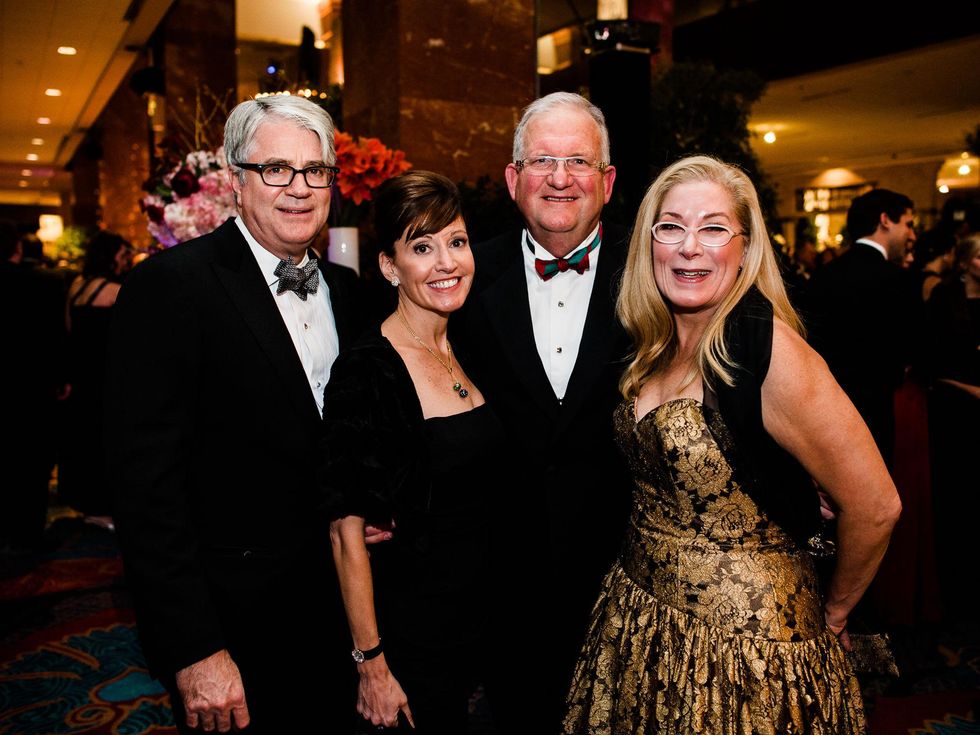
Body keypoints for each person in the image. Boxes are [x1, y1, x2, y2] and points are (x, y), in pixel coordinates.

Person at [562, 155, 901, 734]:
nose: (689, 246)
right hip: (644, 620)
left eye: (714, 228)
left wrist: (837, 613)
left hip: (746, 657)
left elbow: (875, 506)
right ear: (649, 243)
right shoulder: (654, 339)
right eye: (670, 226)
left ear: (746, 248)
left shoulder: (771, 350)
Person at [106, 95, 365, 734]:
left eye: (315, 170)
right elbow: (145, 491)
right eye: (277, 168)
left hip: (343, 616)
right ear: (236, 181)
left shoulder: (354, 295)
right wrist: (194, 648)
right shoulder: (170, 288)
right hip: (233, 632)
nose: (299, 188)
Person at [451, 91, 633, 732]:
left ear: (607, 182)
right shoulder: (464, 274)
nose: (559, 179)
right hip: (505, 582)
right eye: (542, 162)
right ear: (513, 178)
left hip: (632, 583)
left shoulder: (657, 275)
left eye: (579, 162)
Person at [321, 170, 501, 733]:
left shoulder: (472, 346)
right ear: (389, 266)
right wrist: (372, 665)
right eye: (422, 247)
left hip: (482, 627)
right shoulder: (366, 370)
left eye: (457, 241)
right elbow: (346, 531)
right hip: (414, 641)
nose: (447, 262)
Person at [806, 188, 921, 468]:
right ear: (885, 220)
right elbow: (916, 347)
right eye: (908, 224)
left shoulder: (821, 277)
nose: (912, 235)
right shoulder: (898, 280)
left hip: (822, 413)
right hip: (877, 410)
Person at [1, 221, 68, 556]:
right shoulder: (45, 283)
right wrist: (61, 379)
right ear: (17, 248)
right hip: (32, 386)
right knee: (32, 462)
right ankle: (29, 535)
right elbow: (56, 336)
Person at [58, 231, 132, 528]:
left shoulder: (76, 286)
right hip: (107, 377)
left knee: (83, 440)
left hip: (81, 375)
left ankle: (88, 505)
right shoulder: (116, 291)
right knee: (106, 441)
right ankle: (105, 506)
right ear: (112, 256)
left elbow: (67, 329)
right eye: (122, 254)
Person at [925, 233, 980, 618]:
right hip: (957, 409)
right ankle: (959, 592)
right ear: (966, 261)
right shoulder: (946, 297)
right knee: (959, 498)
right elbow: (931, 361)